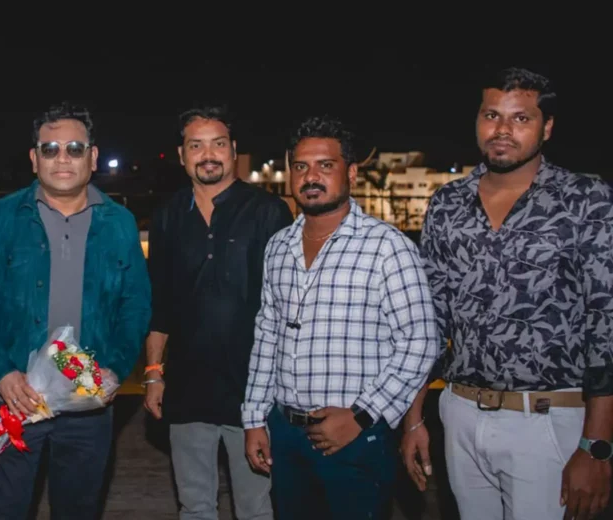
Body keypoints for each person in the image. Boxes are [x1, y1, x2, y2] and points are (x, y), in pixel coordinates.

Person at [402, 66, 613, 520]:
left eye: (521, 118)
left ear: (546, 127)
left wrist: (597, 446)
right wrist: (414, 418)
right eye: (491, 115)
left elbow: (606, 324)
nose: (502, 130)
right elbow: (430, 322)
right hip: (459, 414)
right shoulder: (448, 204)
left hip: (548, 420)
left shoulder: (586, 199)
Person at [241, 115, 439, 519]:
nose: (311, 176)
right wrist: (254, 418)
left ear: (350, 173)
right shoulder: (278, 246)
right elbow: (267, 334)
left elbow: (421, 343)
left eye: (325, 165)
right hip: (286, 435)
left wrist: (362, 416)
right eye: (301, 166)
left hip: (356, 438)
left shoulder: (387, 247)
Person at [0, 101, 151, 520]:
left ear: (93, 157)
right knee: (6, 510)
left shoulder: (119, 223)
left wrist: (116, 368)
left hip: (87, 394)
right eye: (50, 149)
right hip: (16, 395)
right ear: (34, 159)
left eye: (74, 148)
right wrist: (1, 373)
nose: (62, 158)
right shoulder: (0, 218)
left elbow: (135, 305)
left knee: (78, 510)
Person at [143, 105, 292, 520]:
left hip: (254, 395)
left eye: (218, 144)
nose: (208, 154)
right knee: (194, 507)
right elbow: (160, 303)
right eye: (196, 145)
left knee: (256, 508)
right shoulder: (168, 215)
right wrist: (153, 373)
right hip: (187, 392)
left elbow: (286, 304)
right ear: (181, 155)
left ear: (233, 150)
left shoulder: (268, 212)